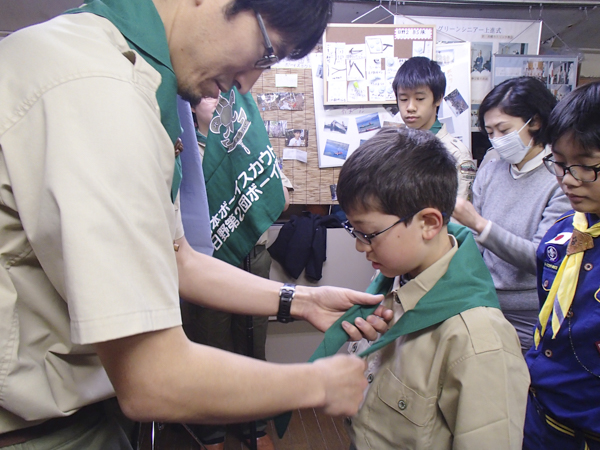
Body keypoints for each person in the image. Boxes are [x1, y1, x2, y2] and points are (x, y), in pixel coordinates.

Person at [0, 0, 392, 448]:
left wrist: (302, 301)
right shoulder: (98, 90)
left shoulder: (118, 66)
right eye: (267, 53)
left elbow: (178, 257)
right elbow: (154, 378)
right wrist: (318, 384)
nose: (246, 83)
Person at [332, 127, 530, 449]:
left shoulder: (478, 341)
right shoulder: (392, 283)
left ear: (428, 223)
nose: (359, 247)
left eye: (368, 234)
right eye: (353, 231)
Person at [186, 94, 290, 449]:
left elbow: (283, 198)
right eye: (206, 95)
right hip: (207, 263)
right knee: (210, 345)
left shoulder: (248, 141)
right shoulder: (182, 147)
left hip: (253, 256)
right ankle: (212, 430)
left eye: (221, 95)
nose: (215, 102)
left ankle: (256, 425)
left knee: (252, 343)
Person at [452, 76, 571, 353]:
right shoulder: (491, 169)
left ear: (536, 122)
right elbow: (474, 246)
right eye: (490, 132)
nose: (496, 140)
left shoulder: (561, 180)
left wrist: (480, 225)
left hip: (530, 316)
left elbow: (542, 258)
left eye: (503, 130)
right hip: (483, 301)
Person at [524, 81, 600, 450]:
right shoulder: (559, 236)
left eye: (585, 167)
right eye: (559, 163)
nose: (568, 180)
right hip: (542, 415)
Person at [392, 56, 476, 201]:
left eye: (419, 99)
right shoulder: (393, 147)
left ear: (438, 99)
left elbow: (459, 212)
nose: (410, 107)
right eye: (404, 99)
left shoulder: (455, 153)